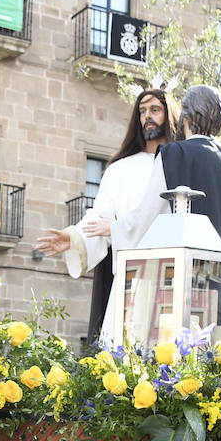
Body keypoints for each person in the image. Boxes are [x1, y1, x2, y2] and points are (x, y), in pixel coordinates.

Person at [109, 84, 221, 331]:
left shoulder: (174, 154)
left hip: (187, 286)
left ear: (186, 117)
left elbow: (148, 216)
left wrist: (113, 230)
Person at [34, 89, 180, 343]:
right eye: (142, 111)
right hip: (132, 276)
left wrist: (116, 228)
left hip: (173, 274)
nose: (148, 117)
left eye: (155, 110)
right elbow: (100, 217)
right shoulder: (120, 169)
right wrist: (75, 236)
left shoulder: (181, 164)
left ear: (169, 115)